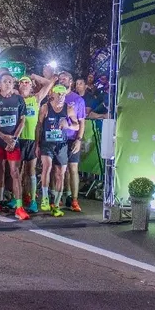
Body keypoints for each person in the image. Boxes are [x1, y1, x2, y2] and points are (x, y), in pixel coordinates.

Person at [0, 73, 30, 220]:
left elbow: (22, 121)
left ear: (13, 84)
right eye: (4, 81)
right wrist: (2, 136)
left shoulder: (19, 99)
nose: (7, 84)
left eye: (10, 81)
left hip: (13, 142)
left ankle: (19, 207)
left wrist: (14, 138)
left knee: (15, 172)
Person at [36, 84, 80, 216]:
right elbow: (39, 126)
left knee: (61, 173)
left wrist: (68, 125)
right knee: (47, 167)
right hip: (47, 143)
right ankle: (45, 198)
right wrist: (37, 144)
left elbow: (77, 126)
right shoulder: (45, 107)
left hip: (61, 145)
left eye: (63, 94)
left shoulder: (69, 108)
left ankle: (56, 205)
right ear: (52, 94)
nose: (61, 96)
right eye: (59, 94)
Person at [19, 74, 55, 213]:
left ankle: (33, 200)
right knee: (17, 171)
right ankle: (18, 198)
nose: (24, 84)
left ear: (31, 85)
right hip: (18, 139)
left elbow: (49, 84)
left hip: (32, 139)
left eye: (27, 82)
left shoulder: (36, 98)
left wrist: (34, 76)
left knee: (31, 171)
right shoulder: (16, 98)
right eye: (22, 82)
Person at [58, 71, 87, 212]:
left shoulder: (77, 100)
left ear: (71, 82)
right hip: (57, 138)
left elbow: (82, 122)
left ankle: (74, 200)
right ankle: (61, 197)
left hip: (72, 138)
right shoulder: (54, 96)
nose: (61, 81)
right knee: (59, 170)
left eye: (64, 79)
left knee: (73, 169)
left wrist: (79, 139)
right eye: (60, 79)